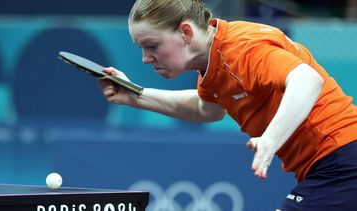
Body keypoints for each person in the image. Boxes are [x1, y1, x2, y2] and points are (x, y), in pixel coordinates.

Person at [98, 0, 357, 210]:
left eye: (152, 46)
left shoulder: (242, 49)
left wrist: (270, 139)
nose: (145, 59)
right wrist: (136, 95)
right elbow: (206, 108)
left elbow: (307, 81)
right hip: (333, 162)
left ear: (186, 32)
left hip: (340, 158)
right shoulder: (212, 59)